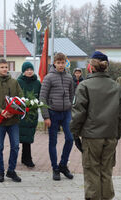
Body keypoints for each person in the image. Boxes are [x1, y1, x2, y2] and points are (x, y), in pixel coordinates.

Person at [70, 51, 121, 200]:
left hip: (91, 137)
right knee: (106, 171)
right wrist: (117, 132)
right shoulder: (116, 86)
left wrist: (75, 134)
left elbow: (78, 114)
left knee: (92, 172)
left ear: (91, 67)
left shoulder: (84, 86)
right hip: (110, 136)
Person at [39, 52, 74, 181]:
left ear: (66, 63)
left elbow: (71, 94)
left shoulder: (69, 77)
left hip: (66, 113)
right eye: (58, 63)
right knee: (52, 141)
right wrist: (45, 116)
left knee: (70, 138)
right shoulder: (49, 77)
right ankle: (55, 169)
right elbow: (42, 98)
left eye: (62, 62)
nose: (60, 65)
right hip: (52, 113)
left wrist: (70, 107)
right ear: (54, 63)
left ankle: (63, 165)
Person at [17, 62, 41, 168]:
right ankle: (26, 158)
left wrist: (36, 104)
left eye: (31, 69)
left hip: (32, 112)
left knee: (29, 135)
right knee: (21, 135)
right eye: (27, 70)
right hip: (21, 112)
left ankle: (26, 157)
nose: (29, 71)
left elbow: (40, 95)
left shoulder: (37, 83)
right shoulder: (18, 82)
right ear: (23, 71)